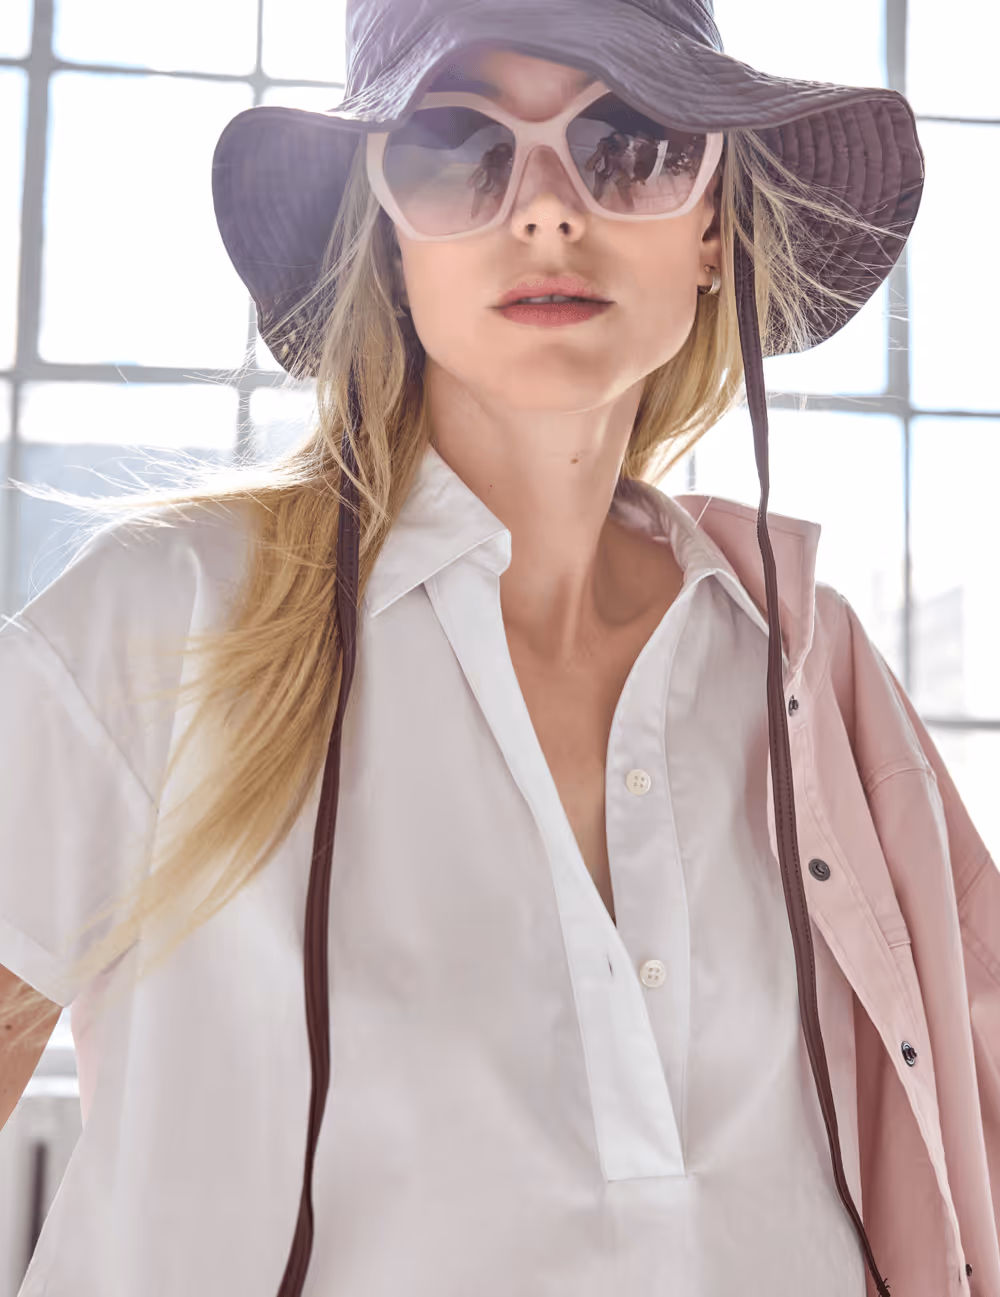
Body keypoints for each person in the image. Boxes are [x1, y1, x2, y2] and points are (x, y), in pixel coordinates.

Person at [0, 1, 997, 1295]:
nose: (545, 211)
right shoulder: (168, 618)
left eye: (629, 144)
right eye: (455, 148)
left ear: (712, 227)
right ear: (388, 239)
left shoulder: (808, 658)